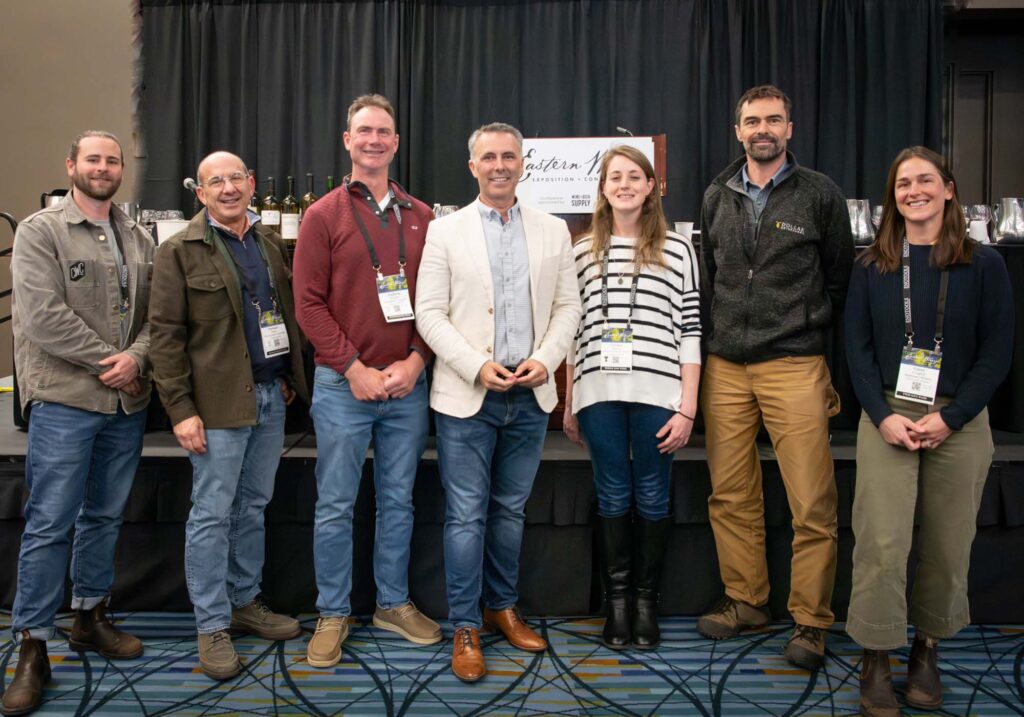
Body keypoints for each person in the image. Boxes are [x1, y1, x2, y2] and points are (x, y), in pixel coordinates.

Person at [845, 146, 1013, 716]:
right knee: (882, 541)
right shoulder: (872, 265)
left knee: (947, 542)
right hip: (888, 411)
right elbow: (857, 350)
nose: (913, 191)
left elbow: (997, 351)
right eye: (902, 184)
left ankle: (927, 649)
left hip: (959, 417)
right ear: (893, 197)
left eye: (924, 181)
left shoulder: (984, 264)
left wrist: (953, 416)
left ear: (948, 189)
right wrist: (882, 414)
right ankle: (876, 653)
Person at [416, 122, 581, 682]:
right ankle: (465, 626)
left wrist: (547, 359)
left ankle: (501, 607)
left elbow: (567, 309)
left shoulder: (553, 230)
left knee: (509, 513)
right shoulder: (445, 232)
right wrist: (475, 366)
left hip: (531, 396)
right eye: (489, 157)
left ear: (522, 163)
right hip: (467, 396)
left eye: (509, 156)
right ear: (473, 167)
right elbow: (429, 314)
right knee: (465, 515)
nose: (500, 165)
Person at [697, 84, 853, 670]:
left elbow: (838, 277)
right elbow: (711, 278)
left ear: (789, 128)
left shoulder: (820, 194)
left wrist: (802, 327)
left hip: (795, 364)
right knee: (730, 494)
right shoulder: (717, 194)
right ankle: (746, 600)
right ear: (738, 130)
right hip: (726, 368)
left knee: (811, 499)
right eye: (752, 120)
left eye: (773, 120)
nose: (762, 129)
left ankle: (811, 622)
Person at [4, 131, 152, 717]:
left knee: (105, 516)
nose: (103, 167)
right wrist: (109, 362)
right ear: (71, 165)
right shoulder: (40, 231)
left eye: (112, 160)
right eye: (93, 158)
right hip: (67, 401)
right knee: (49, 521)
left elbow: (154, 318)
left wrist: (136, 359)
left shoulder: (138, 237)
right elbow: (40, 316)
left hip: (124, 405)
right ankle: (32, 644)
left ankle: (90, 615)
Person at [293, 93, 440, 669]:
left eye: (384, 131)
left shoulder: (424, 216)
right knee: (334, 504)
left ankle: (392, 604)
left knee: (398, 503)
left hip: (407, 387)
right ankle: (333, 611)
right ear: (347, 140)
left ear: (396, 143)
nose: (374, 139)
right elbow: (307, 305)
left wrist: (415, 363)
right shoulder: (323, 214)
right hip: (342, 387)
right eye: (364, 131)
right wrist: (352, 369)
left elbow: (438, 302)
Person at [149, 151, 308, 681]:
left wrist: (284, 377)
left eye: (235, 178)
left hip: (267, 398)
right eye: (215, 181)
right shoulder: (178, 251)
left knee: (253, 506)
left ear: (251, 183)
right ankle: (212, 624)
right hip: (213, 407)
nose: (227, 188)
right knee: (212, 513)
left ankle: (244, 601)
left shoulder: (266, 244)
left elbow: (274, 317)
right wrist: (180, 411)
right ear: (200, 192)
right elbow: (166, 339)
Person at [562, 146, 701, 650]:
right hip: (598, 392)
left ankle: (646, 604)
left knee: (651, 495)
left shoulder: (679, 249)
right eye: (614, 177)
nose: (623, 184)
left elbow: (690, 330)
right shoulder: (580, 251)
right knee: (614, 494)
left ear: (651, 186)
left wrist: (688, 405)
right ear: (602, 189)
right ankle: (616, 605)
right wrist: (570, 398)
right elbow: (573, 330)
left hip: (659, 392)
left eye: (634, 177)